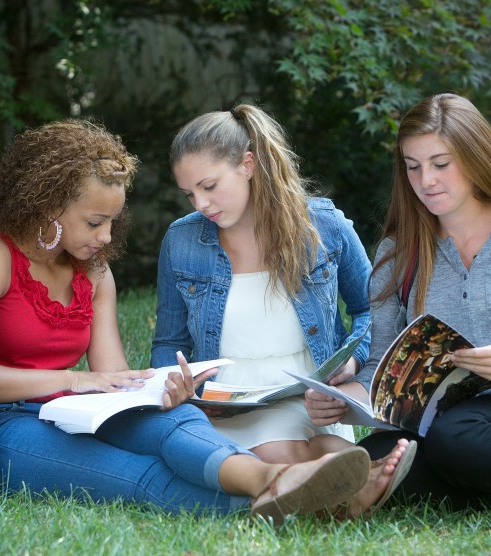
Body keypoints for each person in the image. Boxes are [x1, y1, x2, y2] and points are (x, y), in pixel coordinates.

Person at [0, 118, 394, 523]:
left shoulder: (92, 270)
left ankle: (276, 478)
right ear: (49, 206)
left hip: (73, 411)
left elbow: (117, 382)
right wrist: (76, 382)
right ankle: (310, 498)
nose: (108, 236)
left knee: (174, 427)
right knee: (140, 476)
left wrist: (162, 390)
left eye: (113, 221)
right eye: (96, 222)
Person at [305, 93, 491, 510]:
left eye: (441, 164)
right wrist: (344, 399)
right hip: (435, 423)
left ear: (476, 158)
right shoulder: (397, 252)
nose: (426, 180)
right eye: (413, 167)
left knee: (449, 435)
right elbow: (380, 372)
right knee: (370, 456)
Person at [151, 103, 373, 465]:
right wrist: (182, 390)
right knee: (282, 454)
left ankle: (357, 476)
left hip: (311, 398)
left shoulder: (325, 225)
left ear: (247, 165)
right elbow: (169, 343)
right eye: (189, 193)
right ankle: (363, 481)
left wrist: (352, 364)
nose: (201, 203)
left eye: (209, 186)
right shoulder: (182, 240)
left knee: (319, 454)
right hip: (226, 406)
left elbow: (374, 310)